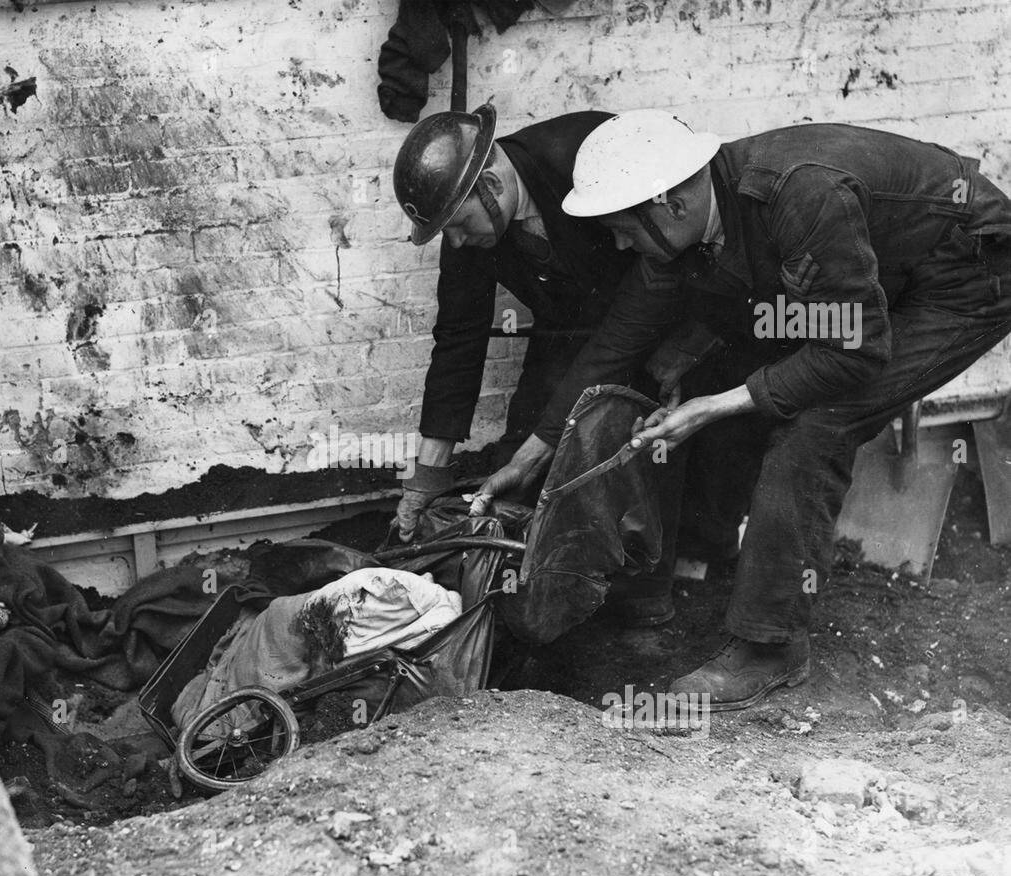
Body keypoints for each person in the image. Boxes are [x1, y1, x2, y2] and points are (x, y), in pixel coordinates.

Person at [474, 109, 1011, 709]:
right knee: (759, 373)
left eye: (625, 229)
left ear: (670, 205)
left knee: (817, 423)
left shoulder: (799, 196)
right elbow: (615, 344)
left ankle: (771, 647)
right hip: (888, 271)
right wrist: (531, 454)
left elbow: (854, 348)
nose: (620, 244)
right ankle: (727, 557)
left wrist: (715, 406)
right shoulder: (705, 210)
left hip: (965, 275)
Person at [392, 103, 690, 626]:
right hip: (570, 331)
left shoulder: (588, 153)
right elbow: (459, 337)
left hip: (656, 325)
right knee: (518, 464)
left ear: (490, 184)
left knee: (638, 452)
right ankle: (525, 597)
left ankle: (643, 597)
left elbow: (649, 289)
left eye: (458, 226)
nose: (456, 243)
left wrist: (550, 440)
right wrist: (428, 474)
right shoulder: (467, 217)